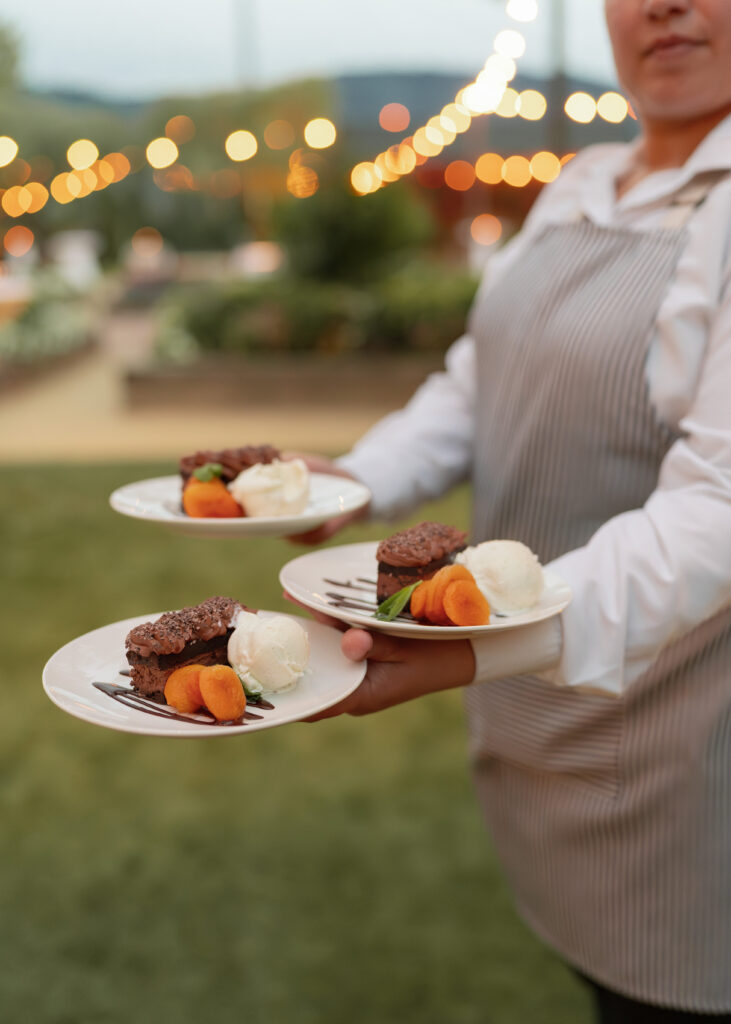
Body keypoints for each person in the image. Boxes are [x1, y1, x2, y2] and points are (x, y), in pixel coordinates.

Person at [287, 1, 731, 1020]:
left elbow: (717, 508)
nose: (661, 4)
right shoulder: (581, 183)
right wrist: (354, 481)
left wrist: (477, 641)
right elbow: (478, 381)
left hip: (677, 751)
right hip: (528, 716)